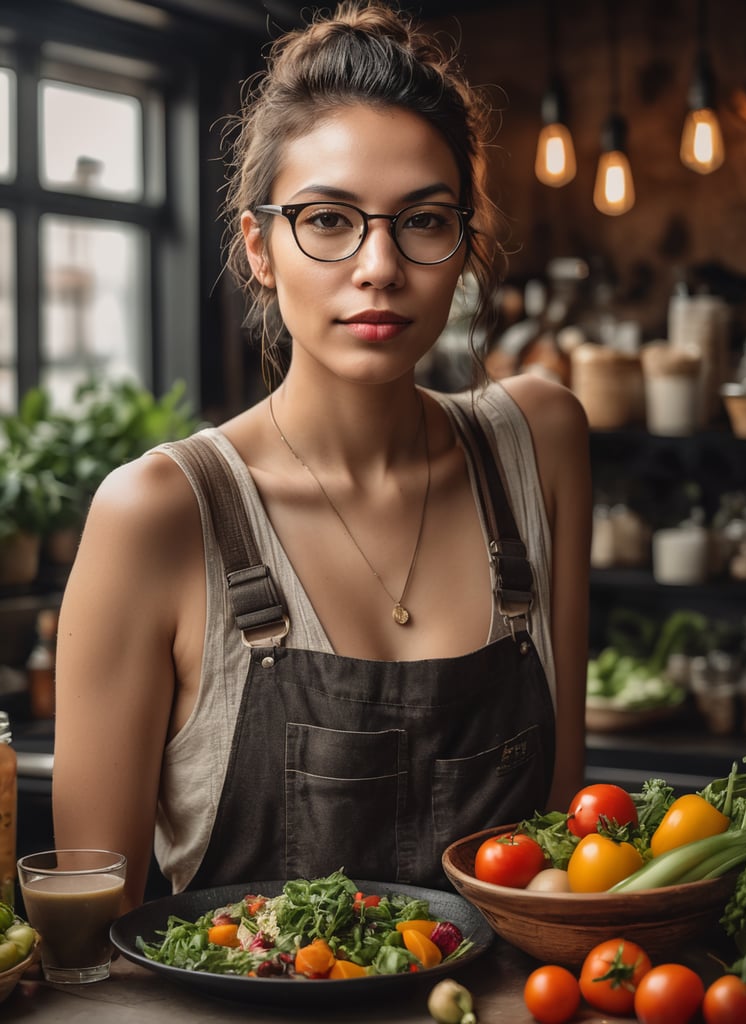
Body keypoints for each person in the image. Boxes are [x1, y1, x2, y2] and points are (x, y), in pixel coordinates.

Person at [52, 0, 591, 910]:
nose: (378, 264)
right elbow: (89, 943)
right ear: (260, 247)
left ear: (463, 249)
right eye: (329, 220)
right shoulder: (158, 514)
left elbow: (568, 851)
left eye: (422, 222)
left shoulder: (537, 443)